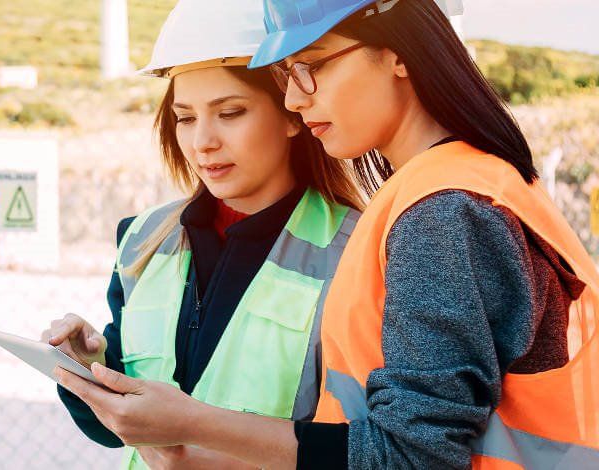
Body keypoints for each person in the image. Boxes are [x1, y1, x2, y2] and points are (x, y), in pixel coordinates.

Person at [55, 0, 599, 469]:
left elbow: (411, 456)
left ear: (397, 52)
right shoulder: (453, 189)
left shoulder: (442, 212)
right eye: (288, 74)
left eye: (312, 66)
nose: (295, 97)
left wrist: (198, 423)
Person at [42, 0, 365, 468]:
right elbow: (120, 435)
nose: (202, 142)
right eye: (186, 117)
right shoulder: (142, 239)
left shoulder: (358, 252)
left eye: (230, 112)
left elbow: (371, 449)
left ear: (294, 112)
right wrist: (90, 370)